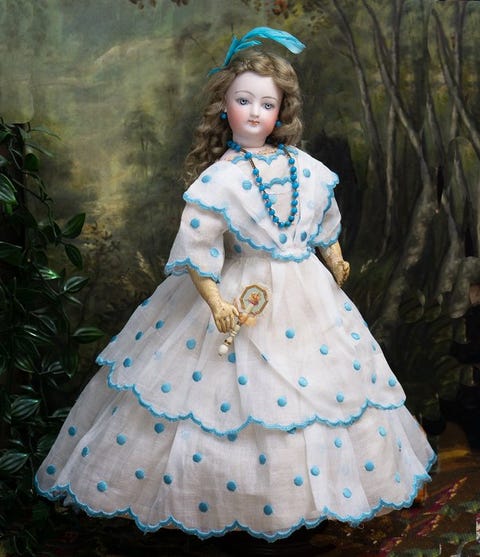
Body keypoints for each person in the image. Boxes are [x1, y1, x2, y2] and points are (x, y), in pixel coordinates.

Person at [36, 27, 436, 542]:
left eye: (266, 104)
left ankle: (312, 499)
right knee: (229, 399)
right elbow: (198, 246)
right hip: (245, 291)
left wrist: (334, 257)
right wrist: (215, 300)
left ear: (281, 112)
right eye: (243, 100)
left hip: (310, 294)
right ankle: (243, 503)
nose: (254, 112)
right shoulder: (219, 178)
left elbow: (325, 218)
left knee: (323, 391)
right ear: (224, 107)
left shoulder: (304, 167)